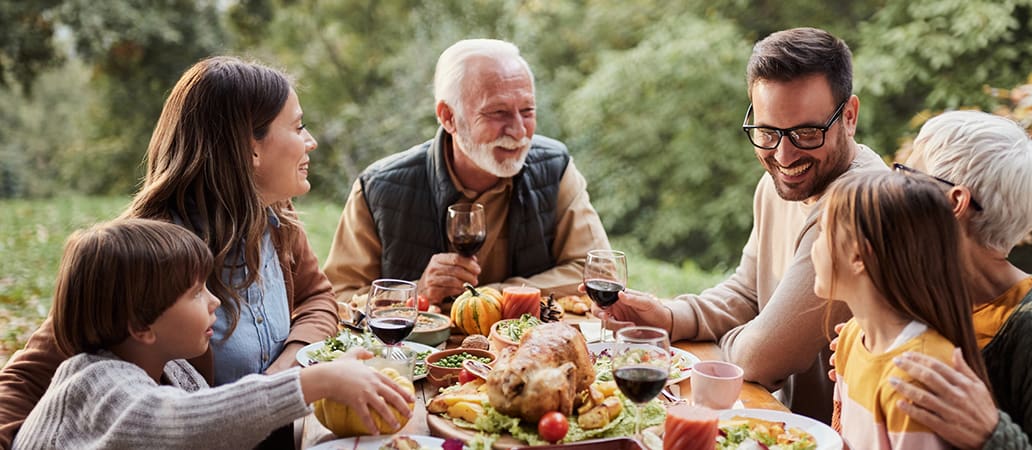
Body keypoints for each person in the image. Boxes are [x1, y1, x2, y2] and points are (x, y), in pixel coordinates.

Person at [0, 56, 349, 449]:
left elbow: (318, 297)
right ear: (250, 148)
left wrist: (288, 367)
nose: (311, 141)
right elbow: (27, 379)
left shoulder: (273, 217)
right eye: (299, 126)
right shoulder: (149, 253)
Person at [593, 27, 887, 423]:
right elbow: (748, 291)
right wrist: (669, 317)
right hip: (775, 420)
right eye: (767, 131)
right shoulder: (779, 185)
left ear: (849, 116)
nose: (783, 155)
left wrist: (713, 348)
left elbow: (760, 358)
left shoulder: (859, 205)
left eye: (805, 132)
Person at [12, 219, 414, 450]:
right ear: (140, 326)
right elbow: (193, 422)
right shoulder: (96, 385)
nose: (214, 303)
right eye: (196, 293)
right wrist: (316, 380)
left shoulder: (174, 369)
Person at [858, 111, 1032, 449]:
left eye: (906, 174)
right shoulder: (923, 298)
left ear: (955, 202)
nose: (893, 186)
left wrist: (991, 434)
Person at [323, 38, 610, 306]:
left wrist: (492, 297)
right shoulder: (379, 188)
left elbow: (599, 273)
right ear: (448, 117)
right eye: (498, 113)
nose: (520, 131)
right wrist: (417, 291)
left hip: (528, 352)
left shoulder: (555, 167)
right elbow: (338, 297)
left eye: (527, 111)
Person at [814, 171, 991, 449]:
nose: (814, 247)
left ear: (859, 255)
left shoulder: (916, 378)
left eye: (822, 232)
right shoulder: (851, 336)